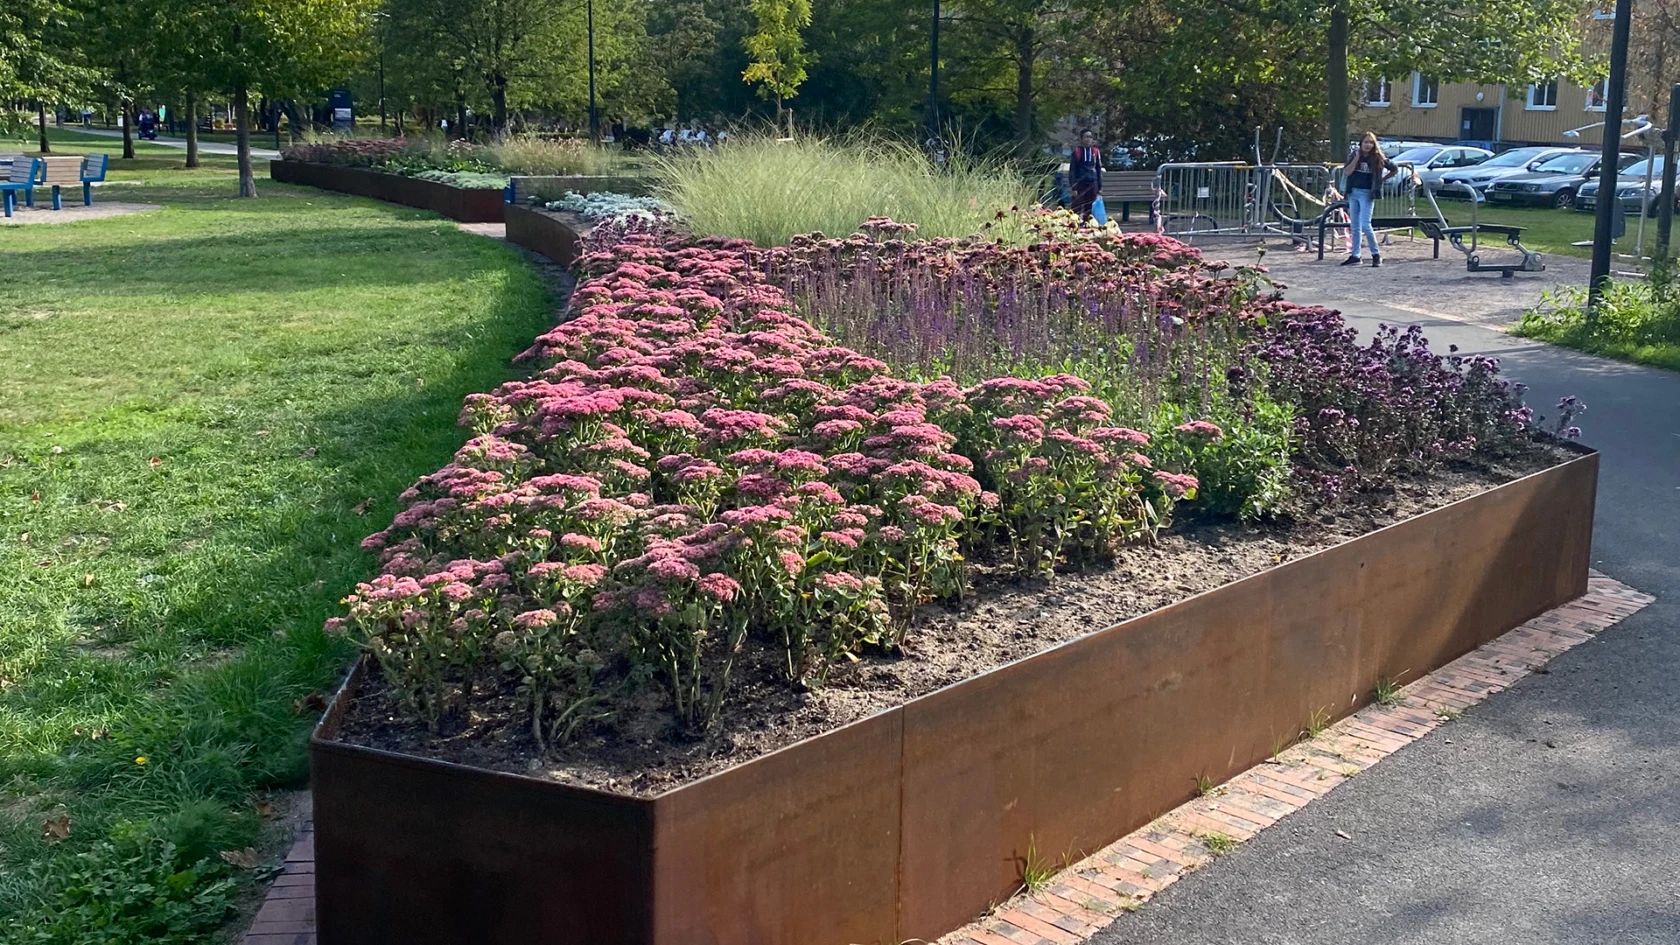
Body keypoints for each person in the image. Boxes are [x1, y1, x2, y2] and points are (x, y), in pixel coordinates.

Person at [1339, 132, 1398, 267]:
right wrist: (1356, 158)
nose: (1368, 145)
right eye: (1365, 142)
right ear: (1361, 143)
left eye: (1371, 142)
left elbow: (1394, 169)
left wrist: (1382, 180)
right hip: (1354, 192)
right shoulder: (1354, 155)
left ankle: (1376, 254)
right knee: (1355, 225)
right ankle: (1355, 255)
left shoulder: (1377, 157)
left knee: (1365, 224)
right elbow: (1347, 172)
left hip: (1367, 194)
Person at [1068, 129, 1104, 222]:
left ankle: (1088, 225)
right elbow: (1072, 170)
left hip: (1092, 182)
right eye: (1086, 137)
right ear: (1081, 139)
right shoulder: (1077, 152)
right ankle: (1074, 224)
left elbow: (1098, 169)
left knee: (1090, 206)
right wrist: (1074, 187)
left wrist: (1100, 186)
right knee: (1077, 206)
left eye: (1090, 137)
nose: (1089, 139)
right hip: (1080, 182)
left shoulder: (1095, 152)